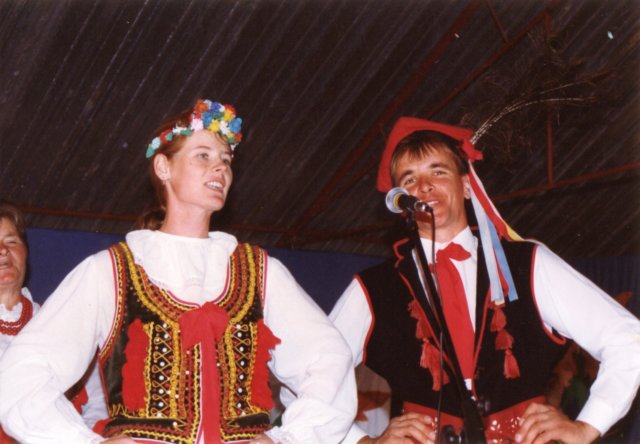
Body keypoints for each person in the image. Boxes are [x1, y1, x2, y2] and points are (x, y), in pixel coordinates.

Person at [0, 99, 357, 443]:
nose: (220, 168)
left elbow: (329, 358)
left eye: (226, 160)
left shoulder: (261, 272)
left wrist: (289, 439)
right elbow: (23, 372)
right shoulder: (110, 271)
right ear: (163, 167)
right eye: (203, 156)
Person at [330, 117, 640, 444]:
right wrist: (360, 442)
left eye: (438, 171)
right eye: (409, 179)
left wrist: (587, 426)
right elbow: (311, 374)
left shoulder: (526, 263)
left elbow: (628, 338)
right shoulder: (374, 288)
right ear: (398, 201)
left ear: (466, 185)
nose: (423, 186)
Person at [0, 201, 107, 442]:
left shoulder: (59, 322)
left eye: (11, 241)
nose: (3, 250)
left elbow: (98, 403)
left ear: (25, 251)